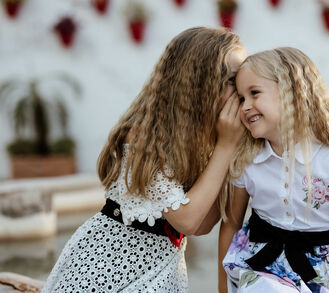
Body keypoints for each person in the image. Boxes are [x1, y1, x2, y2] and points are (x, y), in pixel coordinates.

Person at [42, 26, 246, 292]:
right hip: (109, 267)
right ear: (201, 82)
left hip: (161, 268)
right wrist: (226, 147)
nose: (240, 90)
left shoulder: (203, 141)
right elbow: (188, 220)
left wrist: (232, 151)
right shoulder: (142, 137)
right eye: (232, 80)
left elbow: (203, 225)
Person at [218, 47, 329, 293]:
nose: (245, 106)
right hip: (260, 268)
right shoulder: (246, 163)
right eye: (242, 98)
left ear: (292, 94)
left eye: (254, 93)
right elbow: (231, 225)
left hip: (324, 274)